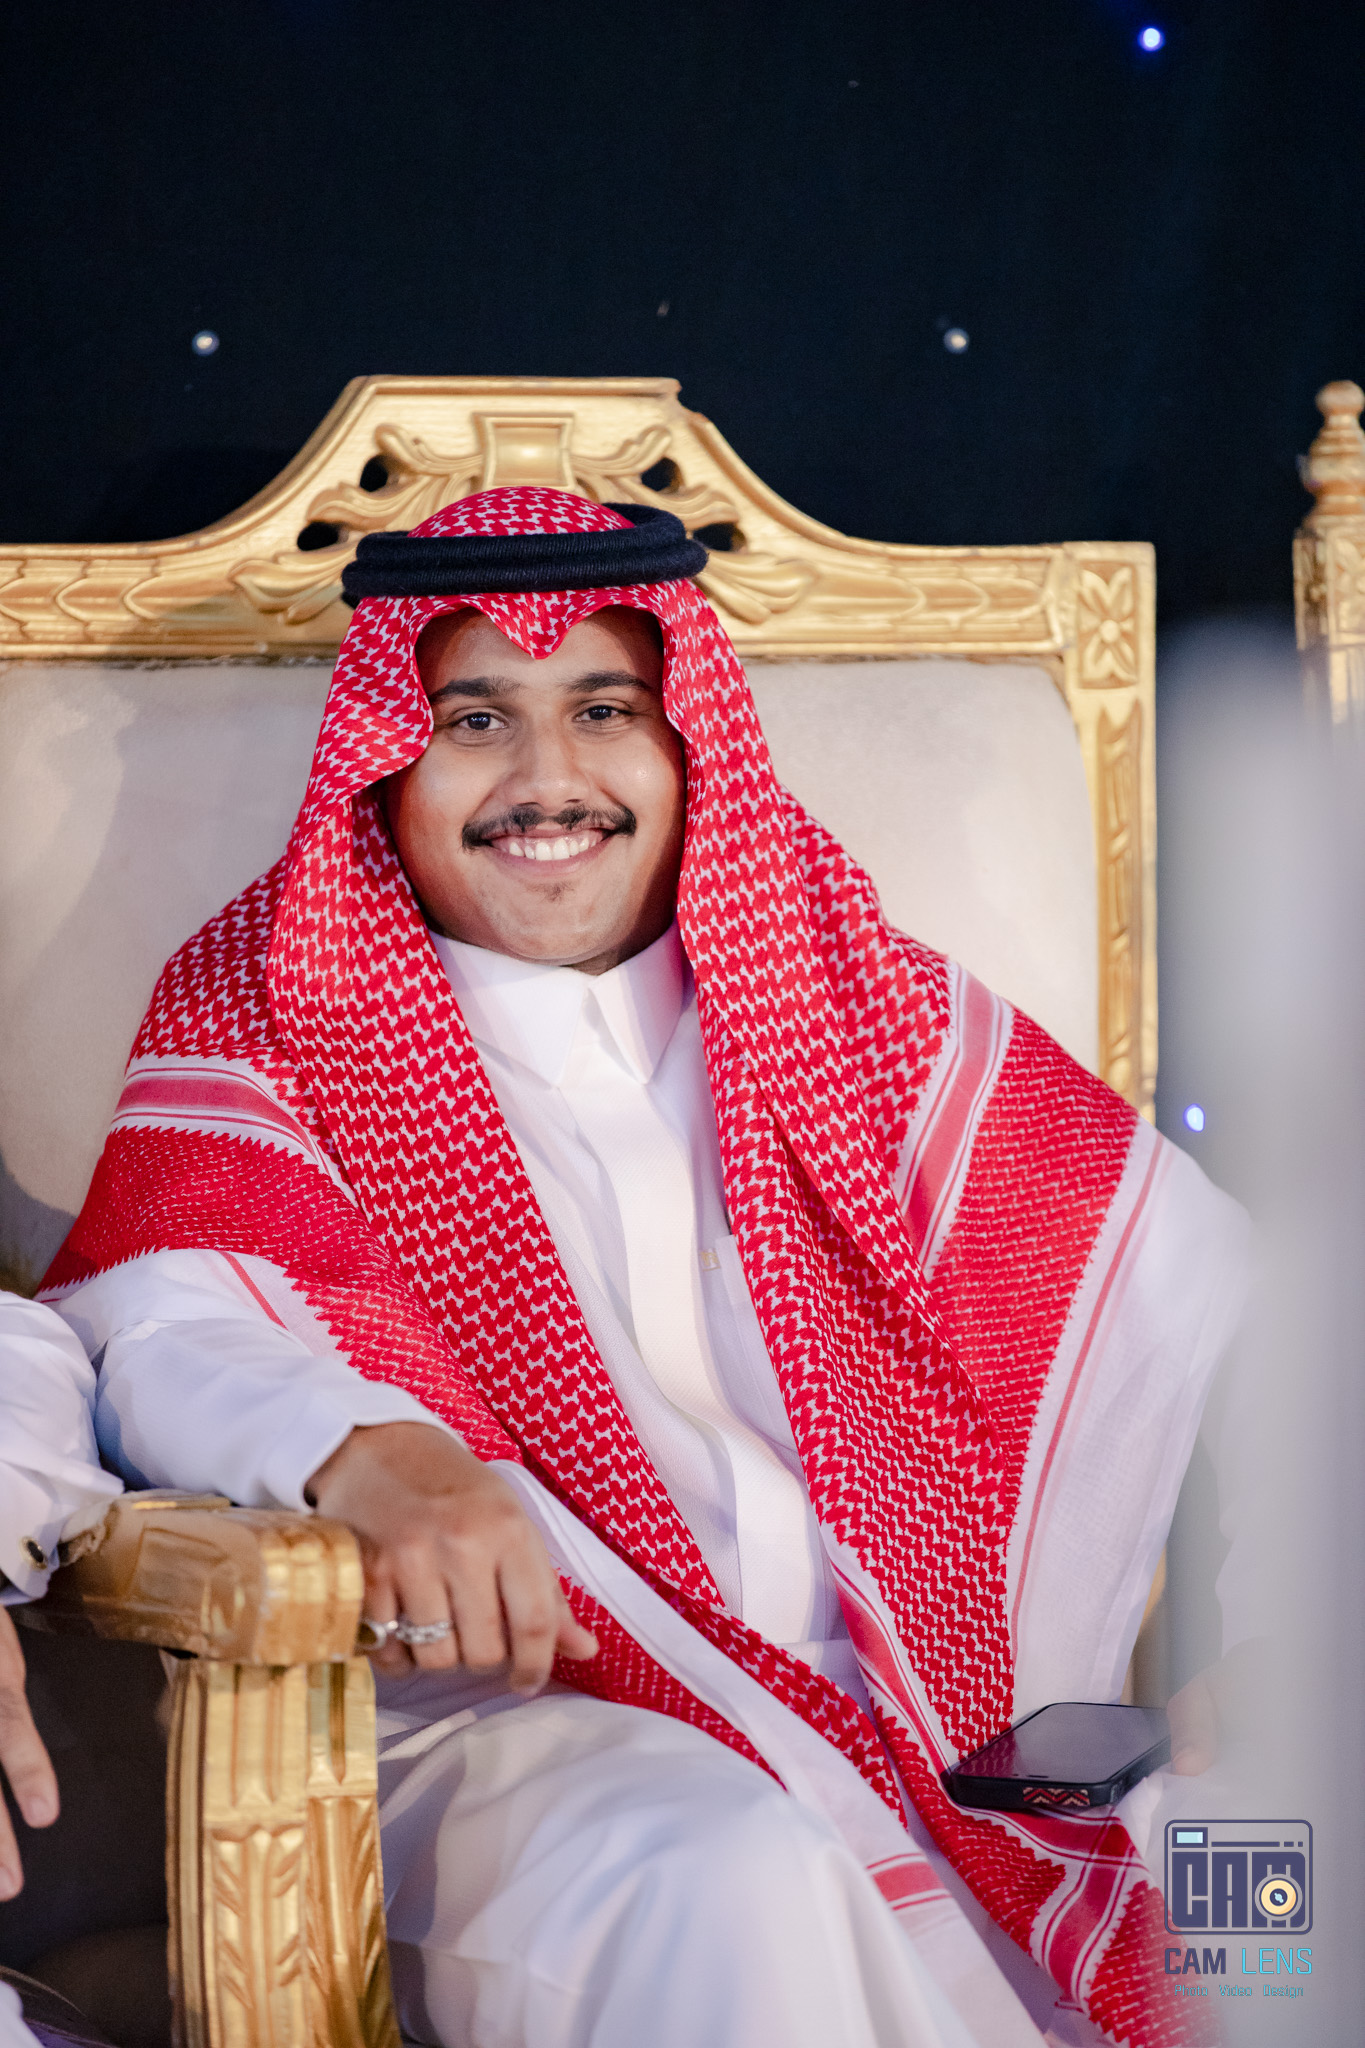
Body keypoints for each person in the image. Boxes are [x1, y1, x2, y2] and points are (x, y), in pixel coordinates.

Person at [33, 491, 1247, 2048]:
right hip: (526, 1735)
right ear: (388, 760)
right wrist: (362, 1447)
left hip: (949, 1727)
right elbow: (149, 1316)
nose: (548, 778)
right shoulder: (273, 1002)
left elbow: (1257, 1323)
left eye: (604, 709)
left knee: (1277, 1851)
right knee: (733, 1878)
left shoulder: (851, 997)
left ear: (685, 747)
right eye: (474, 719)